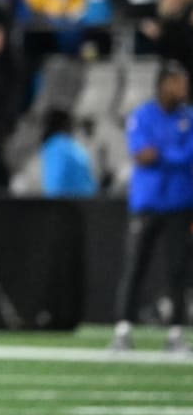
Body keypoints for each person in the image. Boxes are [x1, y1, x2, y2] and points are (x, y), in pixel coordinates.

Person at [111, 60, 193, 353]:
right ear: (164, 83)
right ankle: (122, 330)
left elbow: (184, 156)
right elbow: (141, 154)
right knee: (135, 268)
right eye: (178, 82)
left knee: (178, 270)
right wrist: (175, 154)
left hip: (179, 204)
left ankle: (175, 334)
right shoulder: (143, 115)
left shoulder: (189, 117)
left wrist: (162, 154)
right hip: (146, 204)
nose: (183, 88)